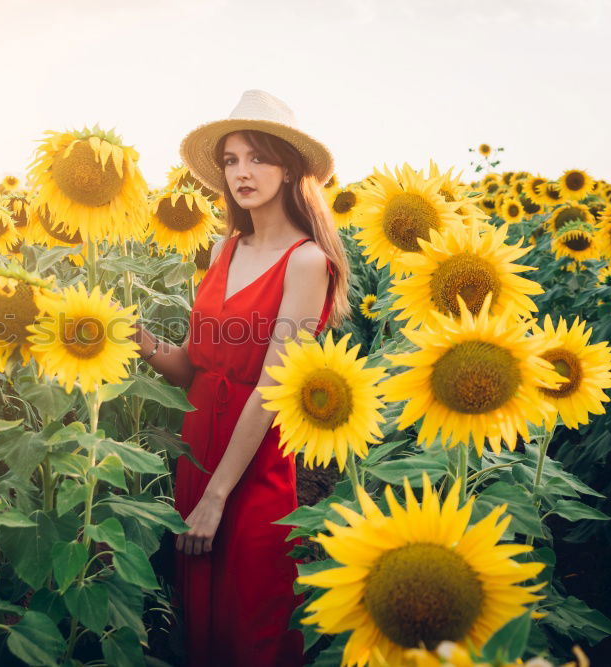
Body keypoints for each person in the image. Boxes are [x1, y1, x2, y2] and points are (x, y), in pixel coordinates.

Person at [129, 89, 351, 666]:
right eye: (231, 160)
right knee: (199, 621)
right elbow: (192, 369)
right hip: (196, 451)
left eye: (257, 157)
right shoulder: (223, 249)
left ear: (289, 168)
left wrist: (218, 495)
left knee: (251, 618)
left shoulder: (306, 262)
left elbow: (273, 387)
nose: (242, 172)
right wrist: (137, 339)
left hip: (250, 467)